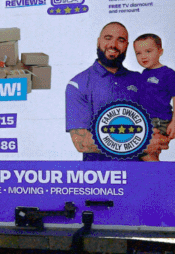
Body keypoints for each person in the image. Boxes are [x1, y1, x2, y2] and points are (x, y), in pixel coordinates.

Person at [65, 21, 168, 161]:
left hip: (141, 176)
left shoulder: (139, 80)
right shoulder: (78, 84)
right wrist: (140, 145)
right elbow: (82, 143)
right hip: (102, 178)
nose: (113, 44)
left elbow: (155, 131)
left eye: (121, 40)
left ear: (126, 46)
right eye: (108, 38)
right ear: (98, 42)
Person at [133, 33, 175, 161]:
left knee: (147, 151)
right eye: (138, 53)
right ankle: (153, 177)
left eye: (148, 51)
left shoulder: (167, 73)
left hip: (159, 120)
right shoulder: (143, 74)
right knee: (143, 152)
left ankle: (161, 178)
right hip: (144, 120)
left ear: (160, 52)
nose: (143, 56)